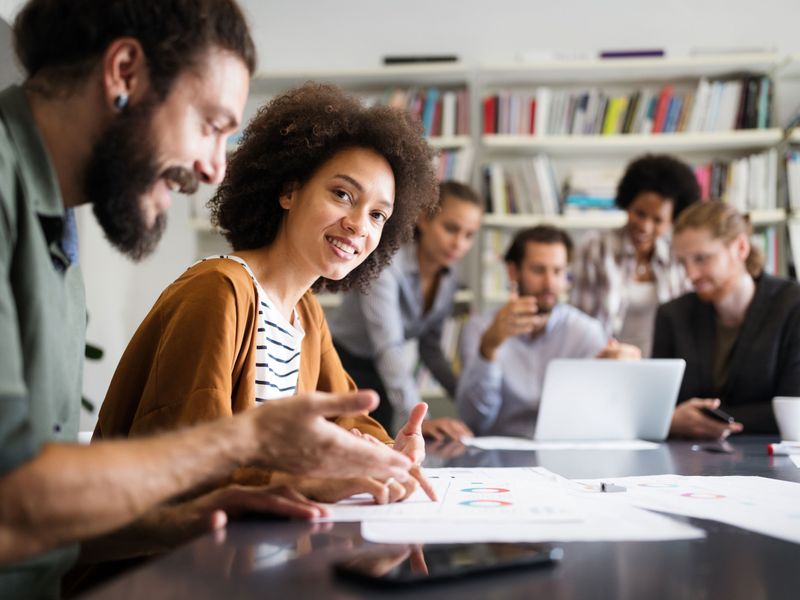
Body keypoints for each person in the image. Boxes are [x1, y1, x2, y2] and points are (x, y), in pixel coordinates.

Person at [0, 1, 412, 595]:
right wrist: (256, 446)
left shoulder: (55, 239)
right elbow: (14, 499)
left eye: (378, 214)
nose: (214, 167)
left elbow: (38, 522)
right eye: (211, 124)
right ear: (123, 73)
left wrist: (188, 521)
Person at [95, 82, 439, 505]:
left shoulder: (305, 315)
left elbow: (348, 422)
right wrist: (303, 480)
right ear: (289, 191)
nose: (359, 225)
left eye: (378, 214)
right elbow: (184, 459)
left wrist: (389, 456)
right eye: (342, 194)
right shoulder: (219, 291)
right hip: (164, 562)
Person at [329, 180, 483, 439]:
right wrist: (420, 420)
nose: (459, 243)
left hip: (381, 371)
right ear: (424, 219)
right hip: (343, 366)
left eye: (469, 235)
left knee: (384, 447)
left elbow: (431, 349)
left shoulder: (448, 279)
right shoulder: (385, 264)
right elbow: (388, 346)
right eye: (451, 228)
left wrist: (465, 399)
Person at [457, 226, 640, 438]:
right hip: (498, 456)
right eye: (538, 270)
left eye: (558, 271)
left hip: (566, 452)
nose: (549, 283)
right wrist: (488, 348)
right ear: (512, 271)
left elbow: (606, 413)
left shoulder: (585, 331)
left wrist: (626, 374)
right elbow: (474, 421)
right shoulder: (480, 330)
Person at [652, 201, 800, 439]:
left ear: (740, 248)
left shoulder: (792, 306)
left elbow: (794, 408)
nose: (690, 274)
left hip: (769, 457)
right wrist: (670, 419)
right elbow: (660, 406)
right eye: (683, 262)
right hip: (688, 460)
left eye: (701, 258)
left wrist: (690, 418)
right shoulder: (673, 315)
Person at [571, 154, 699, 357]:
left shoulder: (678, 256)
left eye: (657, 220)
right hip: (606, 363)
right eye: (639, 213)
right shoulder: (596, 248)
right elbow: (581, 322)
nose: (645, 227)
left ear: (673, 220)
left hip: (663, 363)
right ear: (627, 204)